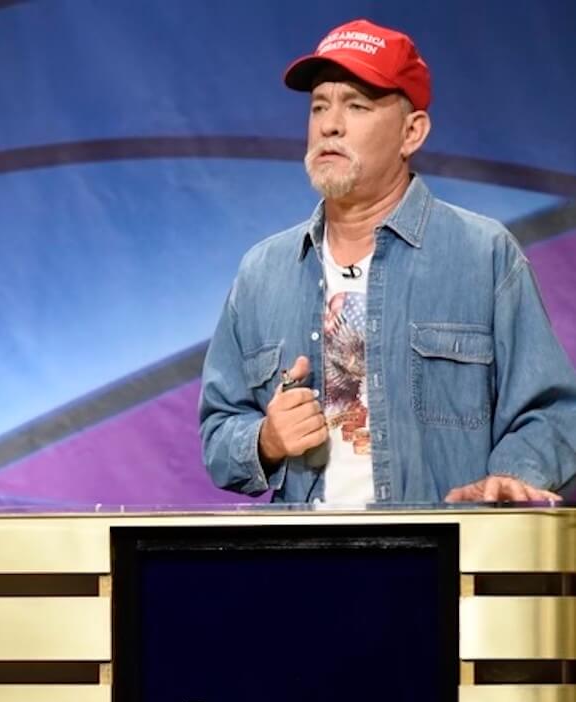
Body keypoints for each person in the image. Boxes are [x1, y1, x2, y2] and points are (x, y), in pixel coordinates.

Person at [199, 19, 576, 504]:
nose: (330, 124)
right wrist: (266, 441)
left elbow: (552, 412)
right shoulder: (263, 271)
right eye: (319, 106)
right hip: (303, 568)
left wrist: (508, 480)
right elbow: (219, 429)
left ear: (411, 132)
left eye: (356, 105)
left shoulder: (483, 256)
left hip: (441, 561)